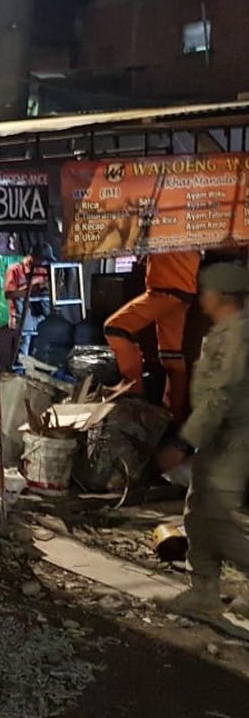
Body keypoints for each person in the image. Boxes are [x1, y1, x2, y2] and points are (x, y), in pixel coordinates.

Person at [157, 263, 249, 620]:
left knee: (219, 520)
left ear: (221, 295)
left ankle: (209, 590)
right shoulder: (224, 332)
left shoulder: (238, 336)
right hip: (215, 440)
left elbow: (220, 397)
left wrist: (182, 443)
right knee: (197, 514)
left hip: (233, 441)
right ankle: (204, 592)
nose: (200, 298)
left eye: (204, 291)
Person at [105, 250, 201, 421]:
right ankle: (175, 417)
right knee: (171, 356)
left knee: (116, 328)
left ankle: (133, 393)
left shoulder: (167, 224)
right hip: (180, 285)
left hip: (168, 286)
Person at [4, 244, 53, 355]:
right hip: (21, 319)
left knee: (38, 352)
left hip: (39, 316)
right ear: (33, 257)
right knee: (22, 352)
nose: (43, 263)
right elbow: (9, 294)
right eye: (42, 260)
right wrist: (30, 289)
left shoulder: (42, 270)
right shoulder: (14, 269)